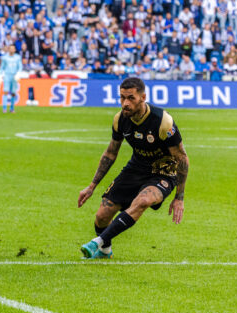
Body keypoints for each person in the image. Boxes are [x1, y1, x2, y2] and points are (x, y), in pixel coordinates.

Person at [78, 77, 189, 259]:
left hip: (163, 172)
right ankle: (105, 251)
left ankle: (97, 242)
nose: (125, 104)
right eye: (122, 98)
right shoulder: (120, 119)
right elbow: (110, 153)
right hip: (136, 168)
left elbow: (182, 158)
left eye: (130, 98)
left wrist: (179, 197)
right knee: (102, 215)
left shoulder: (163, 122)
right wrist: (92, 186)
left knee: (143, 201)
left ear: (143, 97)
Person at [0, 44, 23, 113]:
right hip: (7, 75)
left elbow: (20, 67)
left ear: (15, 50)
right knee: (5, 91)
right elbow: (2, 67)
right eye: (10, 48)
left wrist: (18, 74)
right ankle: (4, 108)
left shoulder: (18, 57)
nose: (12, 50)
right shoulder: (5, 58)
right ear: (9, 49)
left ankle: (12, 108)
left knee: (13, 93)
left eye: (13, 49)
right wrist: (0, 75)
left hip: (14, 76)